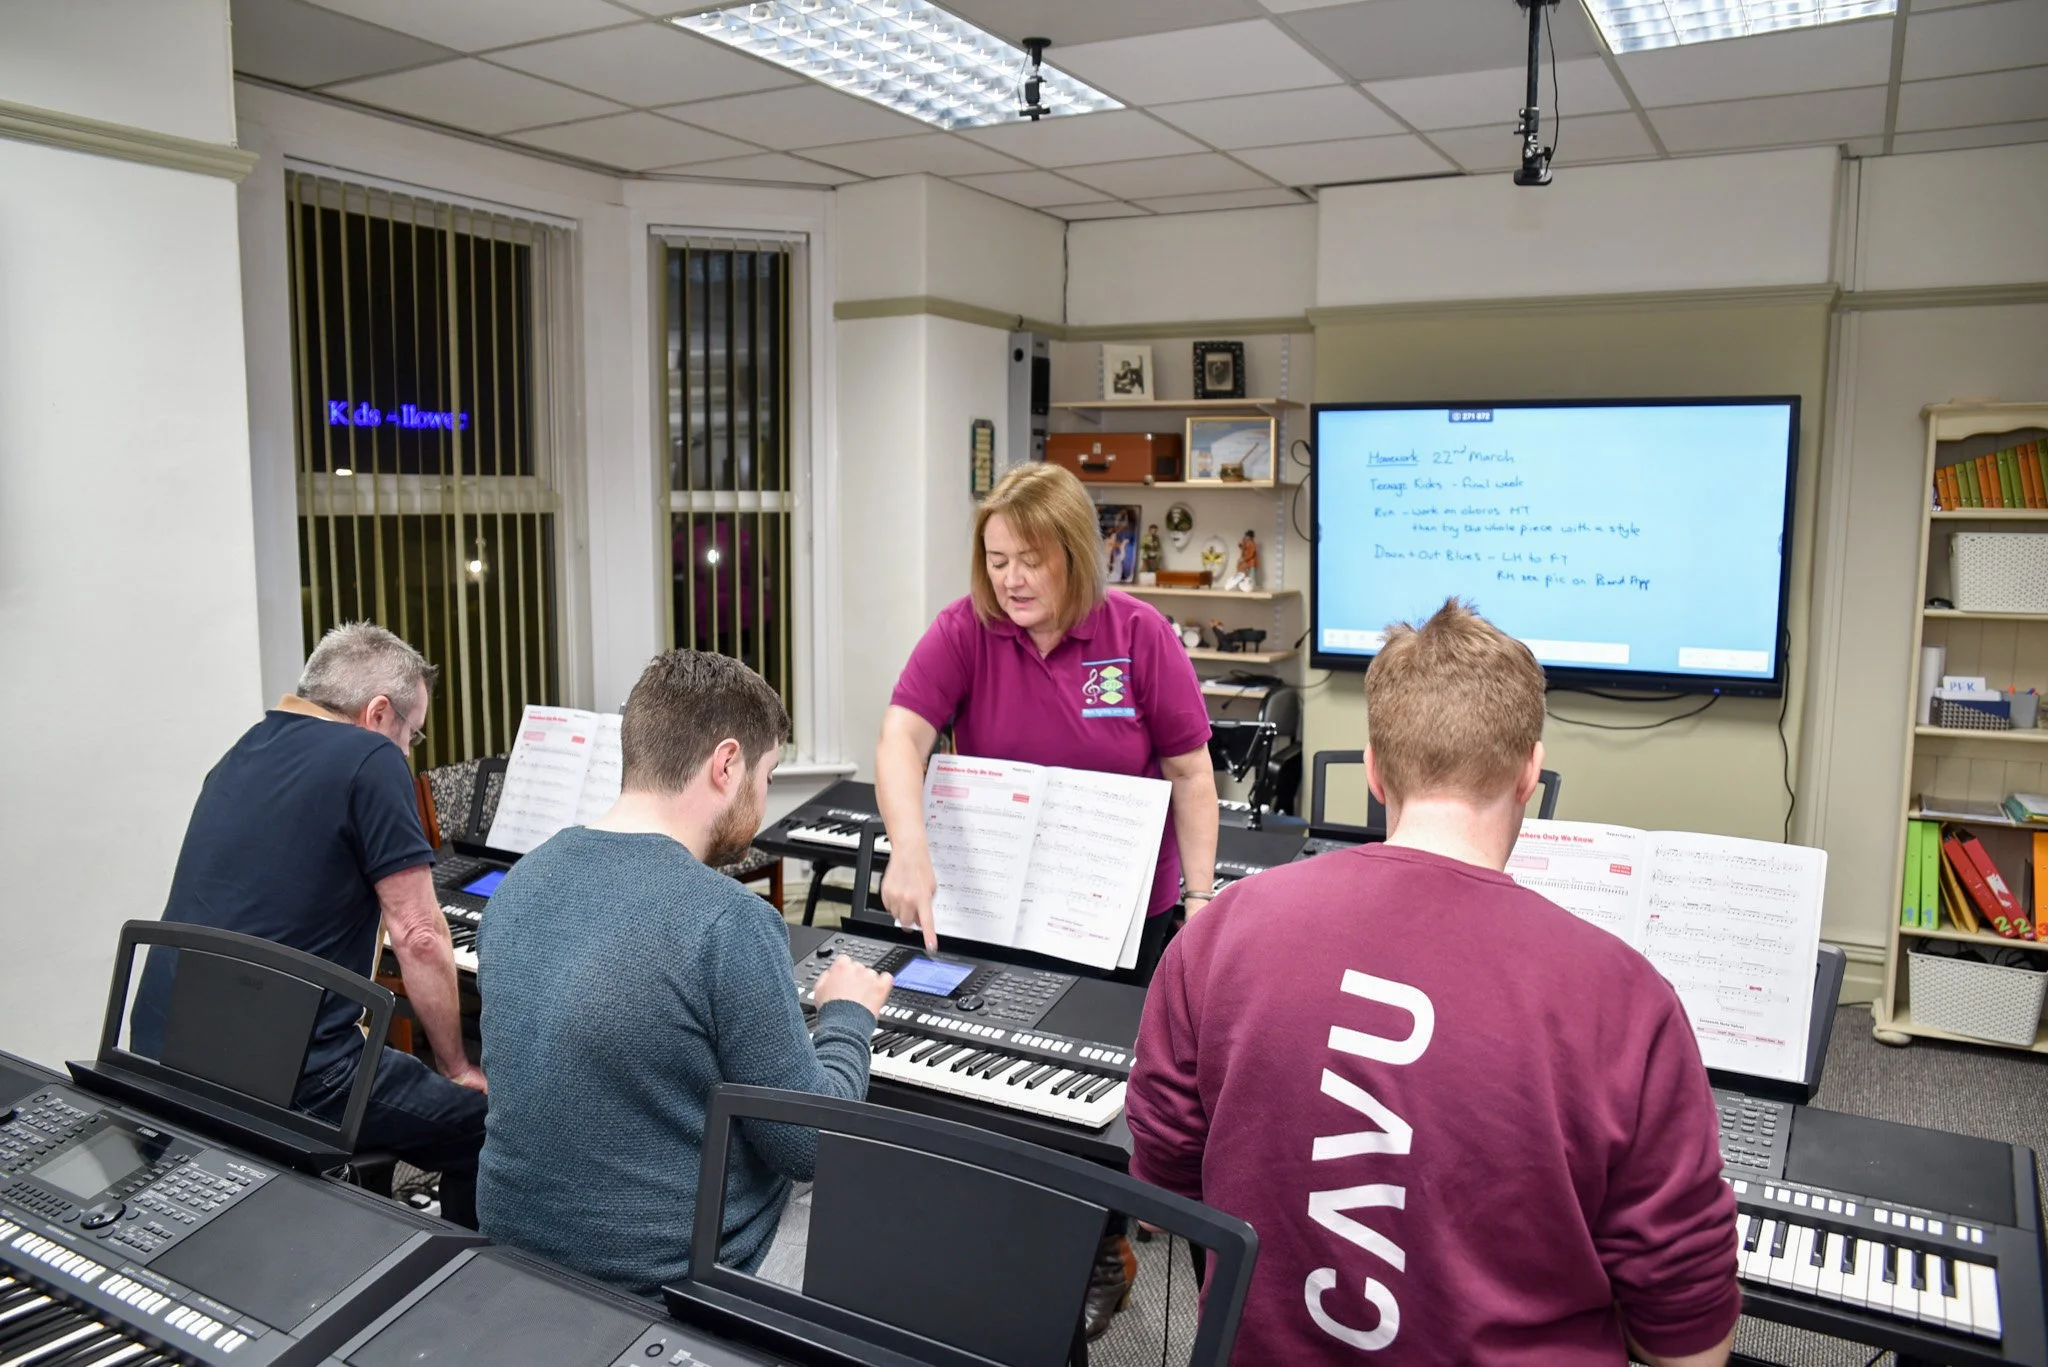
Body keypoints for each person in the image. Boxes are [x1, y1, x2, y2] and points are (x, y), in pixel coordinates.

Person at [1126, 600, 1739, 1367]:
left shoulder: (1221, 931)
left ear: (1374, 770)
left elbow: (1167, 1186)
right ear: (1529, 771)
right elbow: (1684, 1336)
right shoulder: (1626, 999)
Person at [875, 461, 1218, 1337]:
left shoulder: (1138, 635)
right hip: (1002, 898)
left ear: (1074, 555)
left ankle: (1103, 1247)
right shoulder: (966, 630)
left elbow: (1191, 773)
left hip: (1121, 911)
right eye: (997, 560)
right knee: (998, 1073)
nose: (1012, 579)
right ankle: (1005, 1233)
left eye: (1030, 560)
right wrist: (909, 847)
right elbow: (902, 737)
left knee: (1098, 1090)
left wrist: (1202, 902)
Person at [475, 650, 892, 1299]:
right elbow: (809, 1144)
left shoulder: (522, 881)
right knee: (890, 1198)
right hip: (668, 1283)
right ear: (726, 764)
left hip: (517, 1255)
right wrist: (846, 1016)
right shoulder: (729, 920)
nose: (763, 799)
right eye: (766, 775)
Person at [132, 623, 487, 1225]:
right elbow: (420, 934)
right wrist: (456, 1068)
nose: (408, 752)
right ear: (379, 713)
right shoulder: (371, 756)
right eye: (412, 733)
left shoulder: (244, 750)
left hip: (161, 1051)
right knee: (482, 1130)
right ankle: (465, 1275)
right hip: (290, 1076)